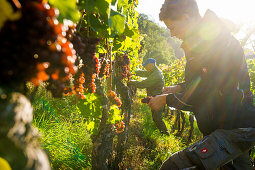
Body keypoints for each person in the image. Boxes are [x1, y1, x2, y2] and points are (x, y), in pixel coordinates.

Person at [148, 0, 255, 169]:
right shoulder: (204, 42)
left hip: (233, 129)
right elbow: (204, 81)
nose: (171, 34)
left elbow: (205, 95)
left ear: (186, 18)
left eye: (172, 27)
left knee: (172, 167)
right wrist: (179, 87)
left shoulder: (214, 43)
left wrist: (166, 100)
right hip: (229, 126)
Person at [129, 58, 169, 135]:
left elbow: (143, 84)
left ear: (151, 65)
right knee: (155, 117)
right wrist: (133, 72)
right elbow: (144, 73)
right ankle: (163, 132)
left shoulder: (156, 74)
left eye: (146, 66)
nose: (145, 68)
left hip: (158, 99)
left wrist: (131, 82)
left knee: (157, 118)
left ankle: (165, 133)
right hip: (155, 98)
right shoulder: (153, 71)